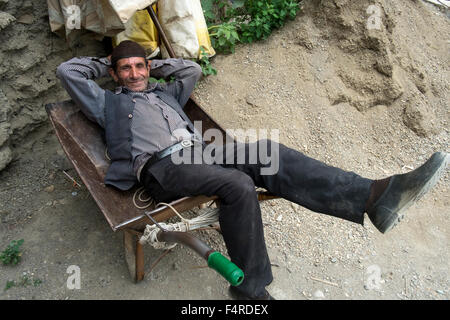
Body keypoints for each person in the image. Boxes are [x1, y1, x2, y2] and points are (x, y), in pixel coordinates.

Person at [56, 40, 448, 300]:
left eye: (140, 66)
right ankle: (253, 290)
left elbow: (190, 70)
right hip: (162, 168)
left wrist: (155, 63)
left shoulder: (165, 92)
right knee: (237, 184)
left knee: (266, 152)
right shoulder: (107, 104)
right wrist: (106, 64)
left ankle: (374, 197)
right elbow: (68, 73)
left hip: (199, 153)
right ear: (115, 74)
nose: (135, 73)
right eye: (126, 69)